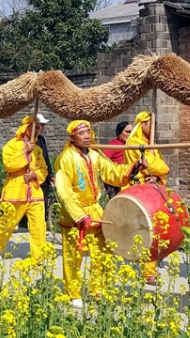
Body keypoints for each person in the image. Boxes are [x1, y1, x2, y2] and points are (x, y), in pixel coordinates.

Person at [54, 120, 145, 308]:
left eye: (88, 132)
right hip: (75, 214)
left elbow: (111, 171)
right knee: (74, 256)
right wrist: (79, 215)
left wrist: (134, 166)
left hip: (95, 209)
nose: (87, 136)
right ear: (72, 138)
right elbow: (65, 191)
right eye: (82, 133)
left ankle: (98, 289)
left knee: (102, 251)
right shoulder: (66, 158)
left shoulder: (95, 155)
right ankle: (73, 293)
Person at [0, 115, 49, 262]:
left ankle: (39, 258)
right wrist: (25, 152)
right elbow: (9, 164)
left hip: (34, 191)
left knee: (39, 226)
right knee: (8, 223)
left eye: (40, 127)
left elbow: (44, 168)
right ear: (26, 127)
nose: (38, 130)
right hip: (16, 189)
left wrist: (35, 174)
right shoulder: (12, 145)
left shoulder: (38, 149)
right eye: (35, 127)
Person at [123, 111, 171, 283]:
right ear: (142, 124)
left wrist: (157, 177)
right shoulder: (135, 143)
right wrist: (159, 170)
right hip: (140, 191)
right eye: (151, 123)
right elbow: (160, 166)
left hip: (153, 190)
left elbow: (162, 169)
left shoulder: (152, 145)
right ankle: (146, 270)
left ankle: (148, 269)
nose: (154, 127)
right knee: (146, 230)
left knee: (155, 229)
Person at [103, 120, 132, 197]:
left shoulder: (132, 145)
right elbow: (103, 161)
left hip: (128, 179)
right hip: (115, 182)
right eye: (127, 132)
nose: (130, 134)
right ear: (120, 132)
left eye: (131, 132)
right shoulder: (113, 145)